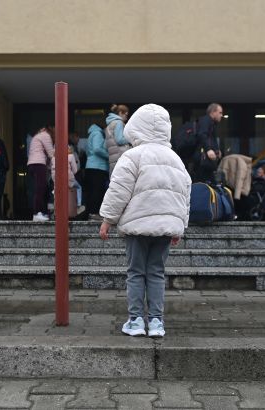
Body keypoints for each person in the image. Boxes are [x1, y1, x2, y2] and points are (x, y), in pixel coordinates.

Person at [99, 104, 191, 338]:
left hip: (137, 226)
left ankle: (136, 320)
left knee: (136, 272)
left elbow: (119, 190)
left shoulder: (132, 156)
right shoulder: (175, 159)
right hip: (165, 228)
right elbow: (184, 193)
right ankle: (157, 322)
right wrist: (180, 225)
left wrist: (108, 219)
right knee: (157, 273)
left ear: (136, 129)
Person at [27, 126, 54, 221]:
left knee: (43, 189)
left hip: (33, 164)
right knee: (40, 189)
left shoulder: (38, 136)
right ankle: (36, 213)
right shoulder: (45, 135)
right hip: (39, 164)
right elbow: (51, 153)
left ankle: (43, 212)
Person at [192, 103, 224, 183]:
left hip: (206, 160)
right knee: (203, 182)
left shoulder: (211, 123)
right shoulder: (206, 120)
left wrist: (217, 150)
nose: (221, 115)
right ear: (213, 112)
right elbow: (202, 135)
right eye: (220, 113)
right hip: (202, 159)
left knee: (210, 182)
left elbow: (210, 138)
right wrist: (209, 149)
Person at [85, 123, 109, 221]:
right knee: (97, 190)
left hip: (91, 165)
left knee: (92, 191)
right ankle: (94, 213)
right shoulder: (98, 134)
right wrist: (108, 155)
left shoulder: (92, 134)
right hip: (98, 166)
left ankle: (91, 212)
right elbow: (97, 149)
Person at [105, 104, 130, 175]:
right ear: (120, 113)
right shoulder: (118, 122)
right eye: (126, 115)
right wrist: (130, 139)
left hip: (112, 158)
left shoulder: (109, 125)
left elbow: (105, 145)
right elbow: (119, 140)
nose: (126, 117)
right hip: (120, 156)